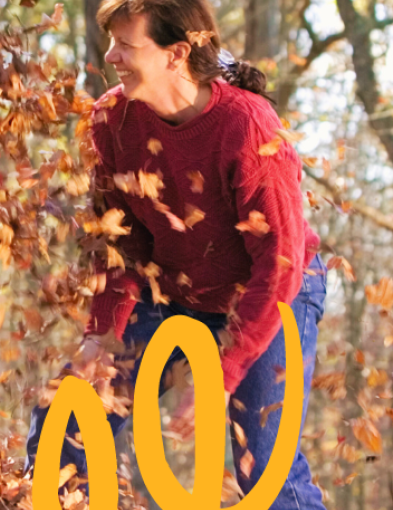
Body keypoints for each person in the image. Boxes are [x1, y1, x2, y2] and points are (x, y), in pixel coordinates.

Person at [23, 0, 326, 507]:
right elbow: (119, 240)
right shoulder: (112, 120)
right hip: (172, 288)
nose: (111, 55)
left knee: (265, 473)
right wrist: (101, 336)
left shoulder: (246, 126)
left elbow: (279, 264)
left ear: (176, 53)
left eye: (126, 44)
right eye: (111, 41)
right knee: (68, 418)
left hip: (269, 292)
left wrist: (222, 375)